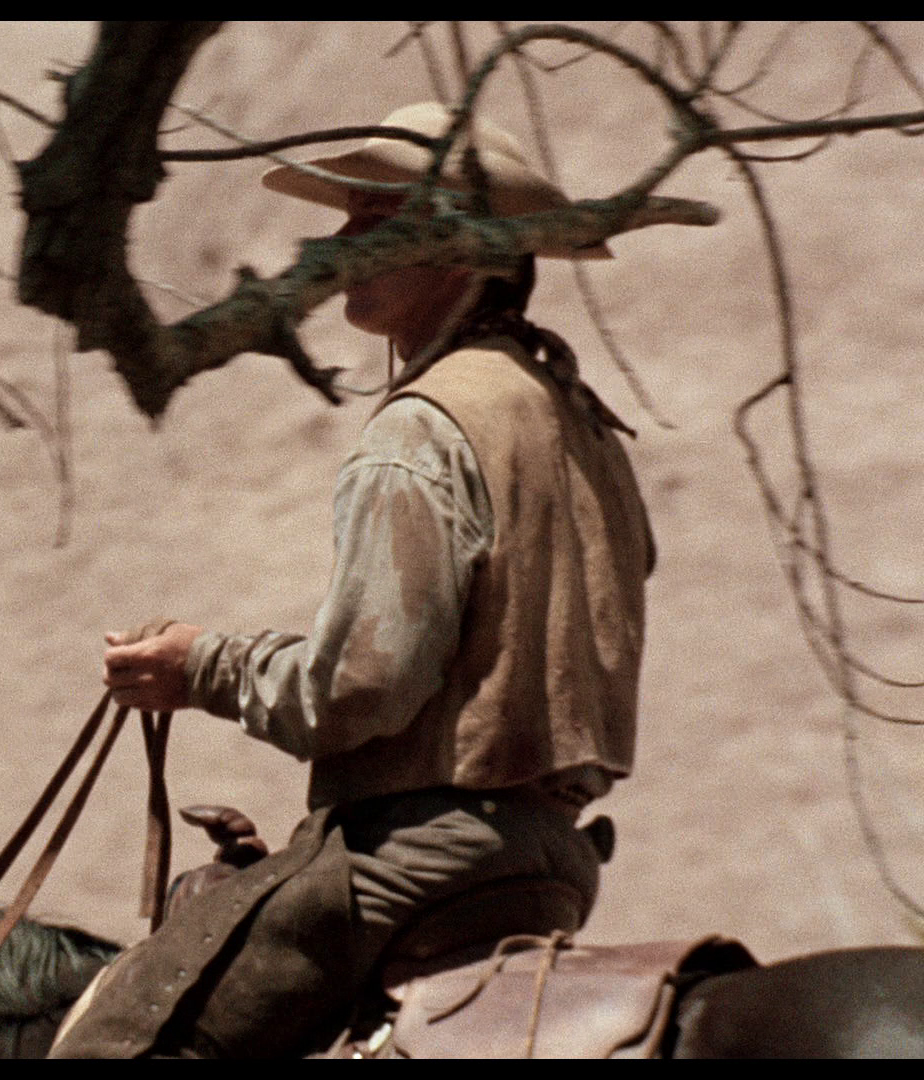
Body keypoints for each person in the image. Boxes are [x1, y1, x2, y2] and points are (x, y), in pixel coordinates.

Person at [49, 103, 656, 1058]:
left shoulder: (424, 427)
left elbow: (363, 689)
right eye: (347, 218)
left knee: (113, 1043)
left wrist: (203, 668)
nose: (340, 244)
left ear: (461, 250)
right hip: (553, 858)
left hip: (421, 856)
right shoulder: (582, 422)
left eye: (377, 221)